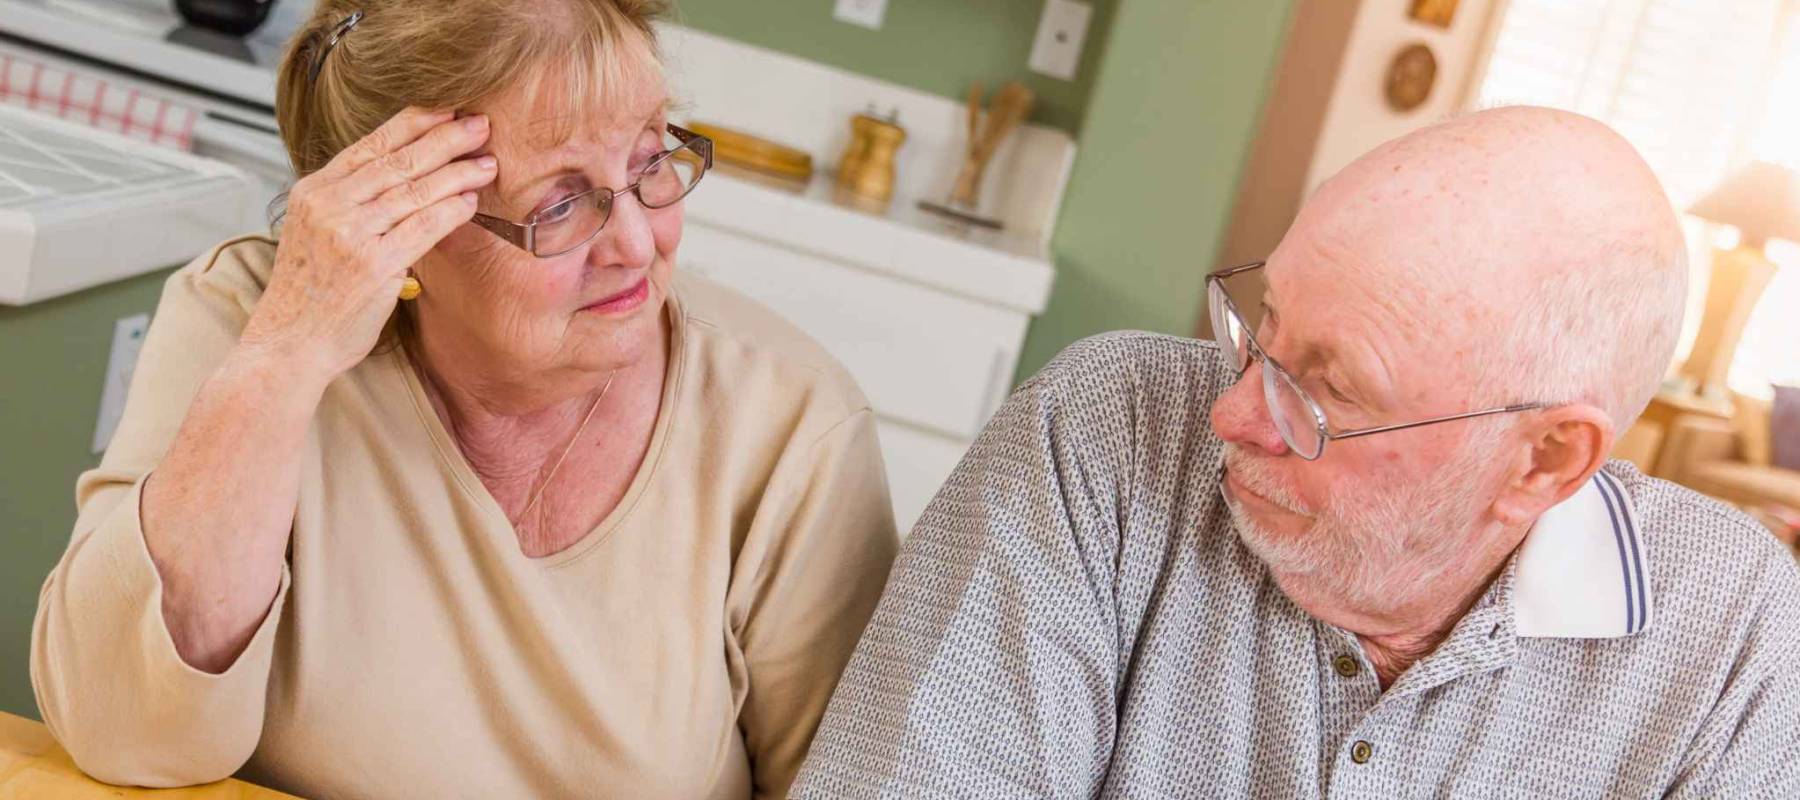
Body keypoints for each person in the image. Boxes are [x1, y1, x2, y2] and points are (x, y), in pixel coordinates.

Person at [791, 107, 1800, 798]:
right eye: (1263, 322)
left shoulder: (1737, 640)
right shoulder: (1103, 430)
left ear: (1542, 459)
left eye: (1330, 387)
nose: (1232, 414)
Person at [31, 2, 897, 797]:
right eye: (560, 204)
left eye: (649, 163)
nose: (637, 242)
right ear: (398, 226)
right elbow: (127, 736)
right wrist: (287, 354)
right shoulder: (252, 321)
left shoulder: (791, 430)